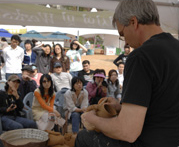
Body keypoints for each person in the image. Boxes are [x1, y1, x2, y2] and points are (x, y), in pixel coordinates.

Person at [75, 0, 179, 147]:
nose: (126, 43)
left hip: (148, 142)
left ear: (133, 22)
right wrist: (121, 107)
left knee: (83, 137)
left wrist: (92, 119)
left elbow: (127, 132)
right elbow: (162, 106)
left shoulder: (141, 57)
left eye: (122, 34)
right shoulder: (175, 47)